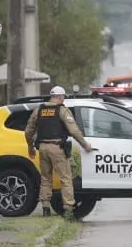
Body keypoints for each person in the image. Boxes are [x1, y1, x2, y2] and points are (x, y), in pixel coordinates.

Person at [23, 85, 96, 218]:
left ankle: (45, 208)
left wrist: (30, 146)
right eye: (63, 98)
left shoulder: (39, 109)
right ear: (61, 97)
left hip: (43, 148)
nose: (64, 100)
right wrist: (85, 145)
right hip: (57, 147)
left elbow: (28, 131)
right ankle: (68, 210)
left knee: (45, 179)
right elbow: (74, 131)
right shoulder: (62, 110)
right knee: (66, 179)